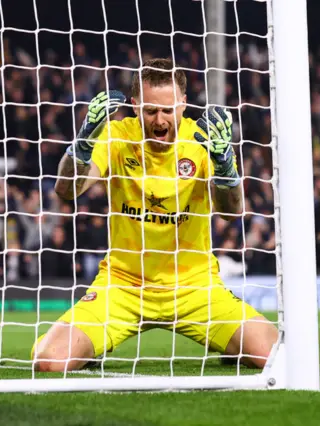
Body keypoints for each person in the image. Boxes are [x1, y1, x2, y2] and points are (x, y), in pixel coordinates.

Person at [31, 58, 277, 372]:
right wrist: (81, 145)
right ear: (135, 106)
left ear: (183, 104)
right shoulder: (118, 135)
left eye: (168, 109)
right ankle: (91, 347)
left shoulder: (202, 140)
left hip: (194, 286)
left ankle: (232, 345)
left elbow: (231, 214)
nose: (160, 120)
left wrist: (227, 168)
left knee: (273, 356)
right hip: (123, 286)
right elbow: (67, 190)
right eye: (150, 111)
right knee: (49, 361)